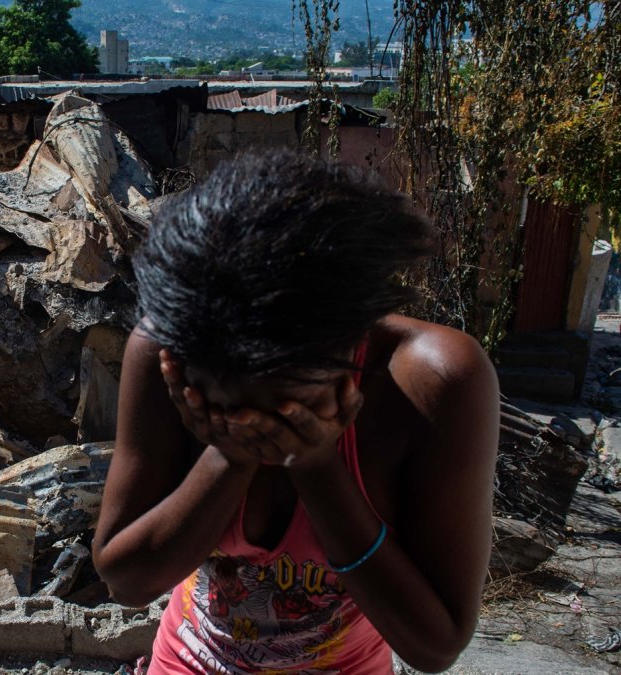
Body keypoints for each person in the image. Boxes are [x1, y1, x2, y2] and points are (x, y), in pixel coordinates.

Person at [92, 150, 499, 674]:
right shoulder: (171, 348)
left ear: (350, 342)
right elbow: (126, 581)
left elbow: (435, 646)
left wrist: (315, 464)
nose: (252, 421)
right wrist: (229, 454)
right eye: (225, 402)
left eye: (280, 404)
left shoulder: (434, 381)